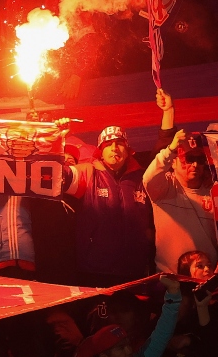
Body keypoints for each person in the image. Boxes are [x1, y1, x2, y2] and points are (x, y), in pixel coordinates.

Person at [61, 122, 155, 286]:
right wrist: (57, 141)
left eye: (119, 144)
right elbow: (59, 175)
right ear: (100, 152)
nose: (114, 148)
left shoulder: (143, 178)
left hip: (135, 271)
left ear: (128, 151)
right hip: (94, 271)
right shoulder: (87, 172)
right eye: (108, 144)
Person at [144, 130, 218, 273]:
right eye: (189, 159)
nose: (195, 165)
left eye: (200, 159)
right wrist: (170, 150)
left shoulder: (215, 191)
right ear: (173, 161)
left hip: (208, 276)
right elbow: (149, 178)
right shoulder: (164, 189)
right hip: (171, 281)